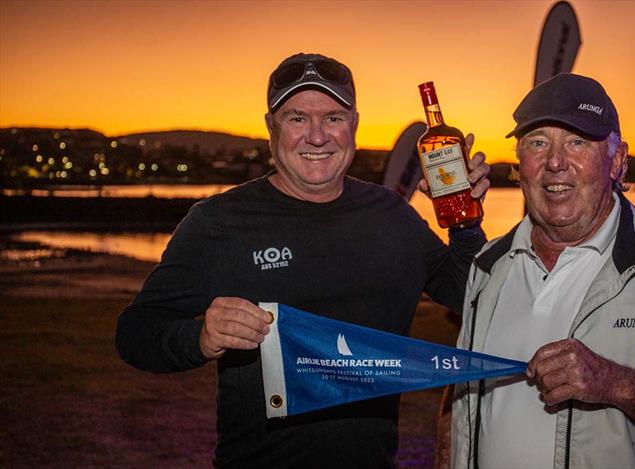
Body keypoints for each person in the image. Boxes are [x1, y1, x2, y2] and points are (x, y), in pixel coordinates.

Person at [116, 52, 490, 468]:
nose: (317, 136)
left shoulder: (392, 215)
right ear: (270, 127)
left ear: (354, 125)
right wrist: (201, 337)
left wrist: (465, 220)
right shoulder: (218, 223)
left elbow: (464, 293)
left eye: (333, 117)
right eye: (297, 118)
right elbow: (136, 334)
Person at [446, 73, 635, 468]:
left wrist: (619, 385)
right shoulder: (488, 264)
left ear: (618, 161)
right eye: (538, 143)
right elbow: (462, 401)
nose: (555, 162)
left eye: (577, 142)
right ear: (520, 165)